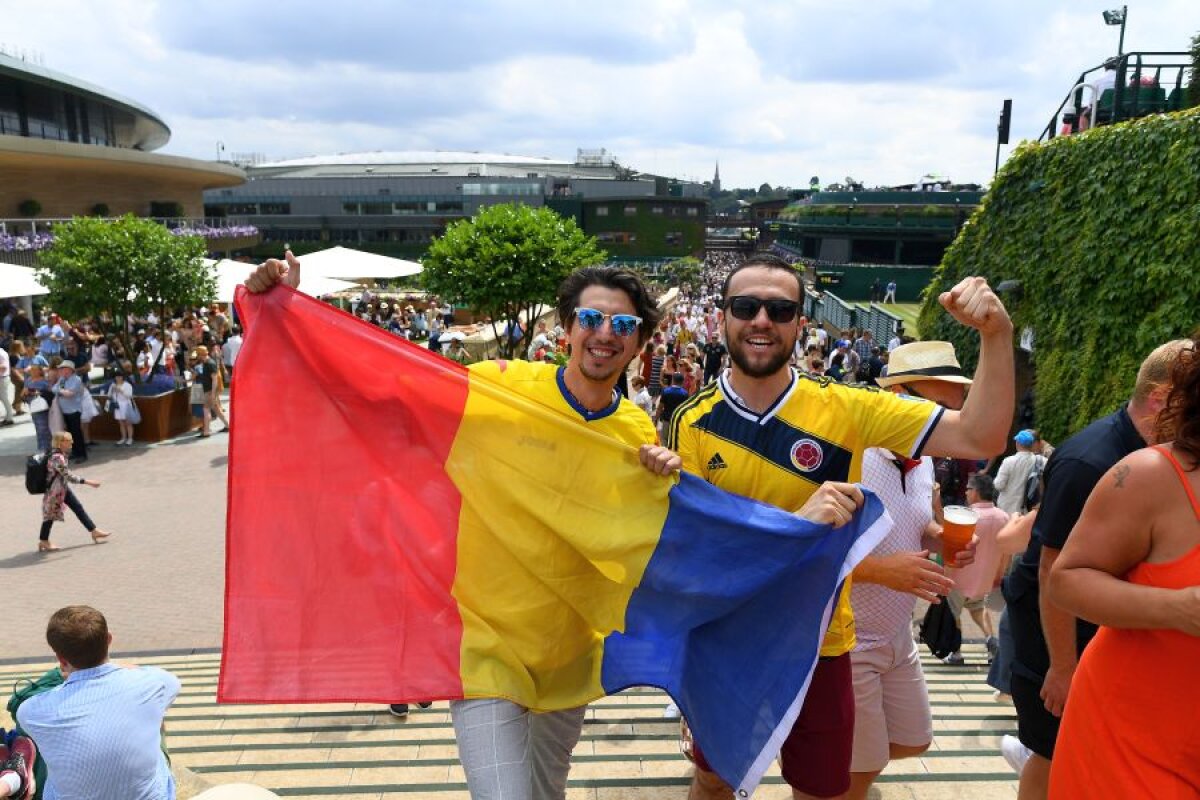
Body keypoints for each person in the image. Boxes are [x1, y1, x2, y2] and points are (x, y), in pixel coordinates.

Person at [245, 251, 680, 800]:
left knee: (547, 793)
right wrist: (294, 309)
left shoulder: (635, 429)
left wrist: (660, 479)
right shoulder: (500, 384)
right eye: (591, 319)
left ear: (639, 343)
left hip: (570, 655)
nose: (605, 334)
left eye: (623, 325)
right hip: (485, 646)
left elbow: (637, 539)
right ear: (567, 326)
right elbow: (374, 384)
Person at [666, 253, 1014, 800]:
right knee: (713, 781)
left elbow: (980, 436)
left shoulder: (848, 407)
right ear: (725, 315)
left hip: (823, 645)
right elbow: (693, 553)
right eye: (746, 306)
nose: (762, 319)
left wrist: (997, 335)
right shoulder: (691, 419)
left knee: (824, 791)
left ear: (800, 324)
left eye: (780, 309)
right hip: (730, 642)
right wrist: (795, 526)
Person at [1003, 339, 1190, 799]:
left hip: (1095, 644)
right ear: (1162, 400)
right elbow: (1053, 570)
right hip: (1055, 642)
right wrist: (1062, 668)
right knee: (1047, 752)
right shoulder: (1093, 461)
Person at [846, 339, 978, 799]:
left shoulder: (924, 464)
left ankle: (832, 765)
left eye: (954, 413)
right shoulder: (852, 455)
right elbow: (807, 552)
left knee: (913, 739)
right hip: (846, 640)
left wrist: (943, 540)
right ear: (898, 397)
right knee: (860, 770)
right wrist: (882, 571)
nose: (946, 425)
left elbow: (921, 525)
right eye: (938, 408)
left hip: (897, 635)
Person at [15, 606, 180, 799]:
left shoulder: (31, 711)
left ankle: (18, 777)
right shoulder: (155, 682)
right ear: (108, 639)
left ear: (60, 657)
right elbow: (170, 682)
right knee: (156, 717)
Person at [941, 473, 1010, 666]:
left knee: (953, 613)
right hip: (986, 578)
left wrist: (944, 573)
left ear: (976, 492)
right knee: (978, 609)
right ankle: (990, 641)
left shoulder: (965, 518)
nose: (965, 492)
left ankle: (956, 652)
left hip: (959, 575)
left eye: (968, 489)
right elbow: (1007, 551)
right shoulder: (1003, 517)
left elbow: (951, 548)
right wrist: (1000, 574)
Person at [38, 431, 110, 552]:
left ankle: (94, 531)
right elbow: (68, 476)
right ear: (61, 443)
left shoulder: (57, 453)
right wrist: (88, 482)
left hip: (62, 488)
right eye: (68, 440)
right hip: (55, 491)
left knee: (78, 508)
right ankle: (43, 541)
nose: (71, 442)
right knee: (50, 516)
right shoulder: (57, 457)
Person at [994, 430, 1045, 514]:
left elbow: (999, 485)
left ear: (1017, 443)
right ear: (1032, 444)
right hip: (1028, 509)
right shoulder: (1041, 461)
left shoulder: (1008, 461)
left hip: (1006, 508)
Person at [51, 361, 88, 462]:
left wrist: (60, 391)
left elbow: (70, 394)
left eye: (63, 368)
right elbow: (54, 389)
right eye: (61, 369)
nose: (61, 370)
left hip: (74, 410)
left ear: (69, 369)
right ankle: (75, 452)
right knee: (70, 434)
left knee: (77, 433)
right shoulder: (62, 379)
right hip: (65, 410)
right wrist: (62, 391)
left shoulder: (76, 379)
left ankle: (82, 454)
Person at [192, 346, 229, 438]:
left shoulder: (209, 363)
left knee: (206, 410)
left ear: (201, 354)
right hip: (210, 391)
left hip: (209, 391)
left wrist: (212, 393)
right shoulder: (206, 362)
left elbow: (215, 379)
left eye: (198, 354)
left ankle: (206, 432)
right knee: (217, 410)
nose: (197, 357)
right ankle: (228, 426)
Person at [23, 364, 53, 451]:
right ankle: (42, 448)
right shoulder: (28, 380)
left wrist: (33, 392)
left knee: (43, 428)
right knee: (38, 428)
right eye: (31, 370)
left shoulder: (44, 381)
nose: (32, 371)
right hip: (32, 407)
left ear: (40, 371)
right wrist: (25, 393)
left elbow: (48, 393)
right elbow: (23, 393)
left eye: (35, 370)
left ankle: (47, 448)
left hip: (42, 407)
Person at [108, 372, 140, 445]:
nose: (118, 378)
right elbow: (109, 395)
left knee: (128, 423)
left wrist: (120, 390)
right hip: (117, 406)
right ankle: (123, 438)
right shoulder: (112, 385)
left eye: (120, 376)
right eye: (116, 377)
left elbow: (129, 395)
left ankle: (130, 438)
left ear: (123, 377)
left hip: (126, 405)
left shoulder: (127, 385)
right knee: (121, 423)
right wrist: (112, 390)